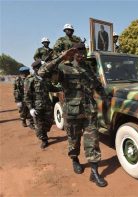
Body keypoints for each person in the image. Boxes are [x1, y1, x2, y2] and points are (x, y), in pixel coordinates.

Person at [38, 43, 108, 187]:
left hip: (89, 112)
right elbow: (42, 73)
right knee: (74, 141)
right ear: (73, 53)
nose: (82, 55)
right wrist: (60, 58)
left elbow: (97, 85)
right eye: (79, 53)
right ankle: (75, 160)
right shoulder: (63, 68)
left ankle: (94, 173)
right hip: (72, 113)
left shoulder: (87, 67)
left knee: (93, 142)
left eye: (84, 52)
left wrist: (106, 98)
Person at [24, 60, 60, 149]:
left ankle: (43, 132)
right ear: (35, 69)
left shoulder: (45, 78)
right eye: (40, 67)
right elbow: (27, 95)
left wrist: (62, 88)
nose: (42, 69)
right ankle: (44, 139)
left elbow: (52, 88)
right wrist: (31, 108)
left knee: (49, 122)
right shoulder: (30, 79)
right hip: (37, 106)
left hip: (47, 104)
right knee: (39, 124)